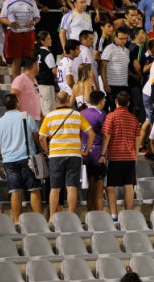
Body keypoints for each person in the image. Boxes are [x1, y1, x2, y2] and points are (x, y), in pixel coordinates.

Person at [39, 91, 95, 225]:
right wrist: (86, 150)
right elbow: (91, 133)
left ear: (56, 101)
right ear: (69, 100)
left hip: (56, 155)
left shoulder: (50, 115)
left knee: (55, 187)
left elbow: (42, 137)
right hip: (74, 154)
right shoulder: (77, 115)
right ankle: (71, 215)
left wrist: (47, 152)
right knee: (71, 186)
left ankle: (52, 217)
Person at [0, 93, 43, 226]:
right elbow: (36, 135)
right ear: (17, 103)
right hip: (27, 158)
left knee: (15, 191)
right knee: (34, 189)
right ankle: (38, 220)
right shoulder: (25, 116)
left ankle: (16, 221)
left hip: (8, 161)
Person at [101, 91, 141, 221]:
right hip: (129, 156)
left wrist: (102, 153)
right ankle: (128, 214)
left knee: (110, 186)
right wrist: (135, 155)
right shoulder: (133, 119)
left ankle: (114, 216)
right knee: (129, 185)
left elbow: (106, 135)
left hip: (114, 156)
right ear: (128, 103)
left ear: (116, 102)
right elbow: (137, 138)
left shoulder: (111, 117)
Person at [0, 0, 41, 78]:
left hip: (29, 33)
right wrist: (10, 23)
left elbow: (37, 17)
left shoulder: (31, 2)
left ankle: (30, 81)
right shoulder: (8, 1)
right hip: (14, 33)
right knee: (16, 59)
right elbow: (2, 18)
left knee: (30, 58)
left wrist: (33, 22)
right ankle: (16, 82)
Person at [11, 57, 42, 126]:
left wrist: (41, 116)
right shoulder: (20, 79)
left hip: (36, 118)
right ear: (34, 65)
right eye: (38, 64)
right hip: (25, 119)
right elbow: (13, 97)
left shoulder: (34, 80)